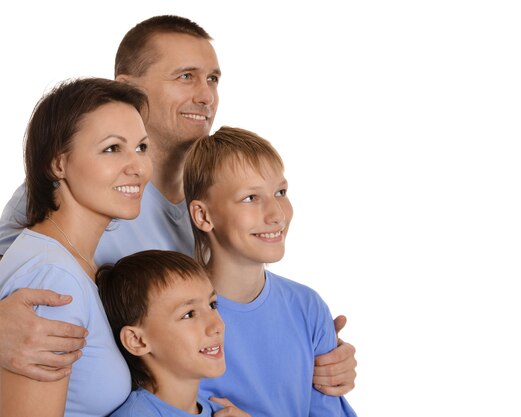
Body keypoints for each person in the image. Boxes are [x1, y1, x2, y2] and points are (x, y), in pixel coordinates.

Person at [0, 14, 356, 394]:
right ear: (127, 89)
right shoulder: (74, 191)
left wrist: (311, 352)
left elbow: (217, 316)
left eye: (213, 79)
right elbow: (22, 278)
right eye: (185, 76)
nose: (205, 95)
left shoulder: (217, 201)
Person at [0, 77, 152, 416]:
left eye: (141, 147)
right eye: (112, 148)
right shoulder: (53, 280)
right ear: (58, 164)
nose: (138, 167)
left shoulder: (71, 262)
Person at [184, 126, 357, 416]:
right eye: (251, 197)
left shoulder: (307, 306)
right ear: (203, 215)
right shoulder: (180, 318)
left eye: (280, 192)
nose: (277, 214)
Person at [97, 250, 249, 417]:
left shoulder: (222, 412)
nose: (217, 325)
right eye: (189, 314)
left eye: (212, 305)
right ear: (137, 340)